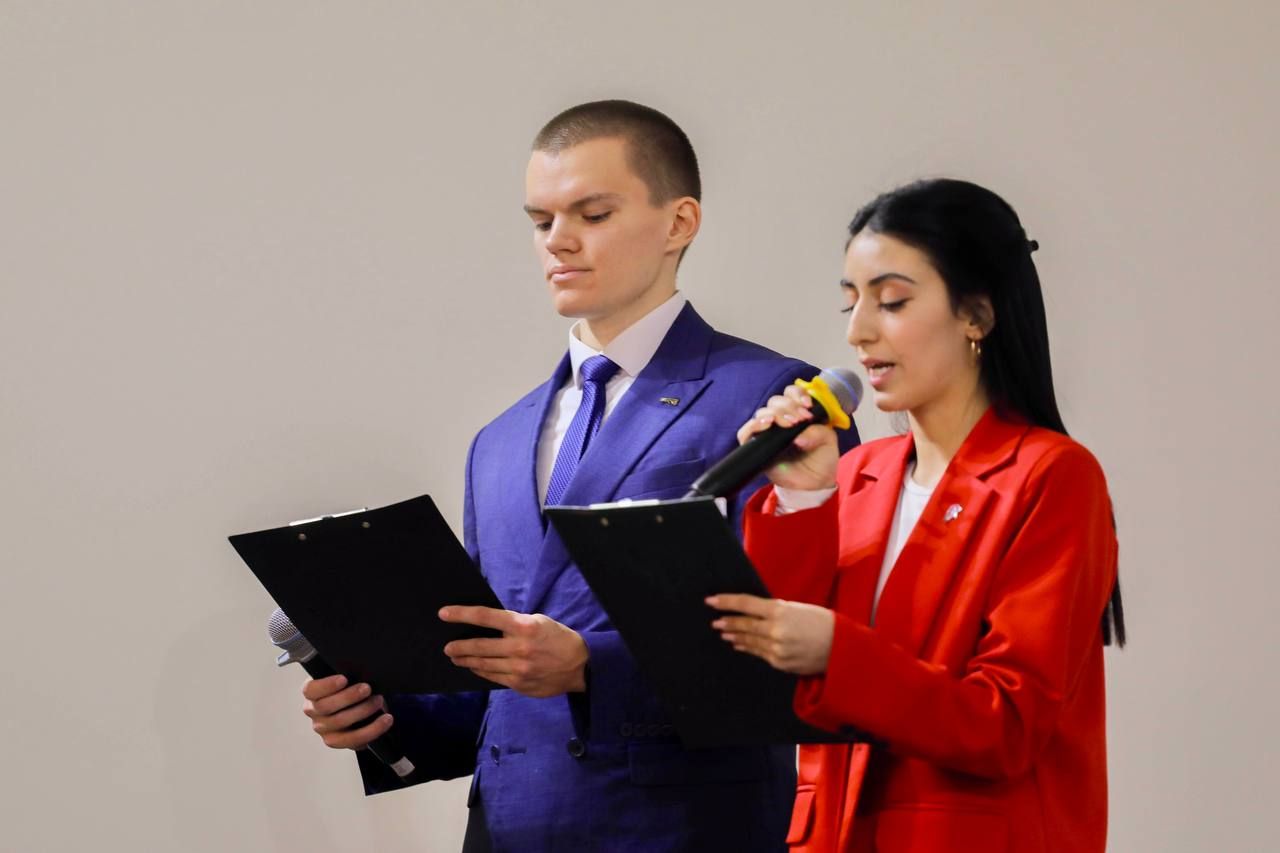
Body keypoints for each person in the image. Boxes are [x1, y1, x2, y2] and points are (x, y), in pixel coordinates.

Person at [297, 100, 859, 852]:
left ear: (679, 221)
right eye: (541, 221)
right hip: (505, 831)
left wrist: (591, 665)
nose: (559, 240)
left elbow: (802, 643)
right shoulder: (497, 442)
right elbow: (495, 688)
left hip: (683, 831)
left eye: (593, 214)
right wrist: (384, 717)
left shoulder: (769, 400)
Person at [708, 178, 1125, 852]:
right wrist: (803, 498)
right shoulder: (857, 474)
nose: (858, 331)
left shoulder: (1052, 476)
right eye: (850, 302)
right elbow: (773, 689)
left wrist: (836, 653)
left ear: (976, 315)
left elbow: (1006, 724)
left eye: (893, 301)